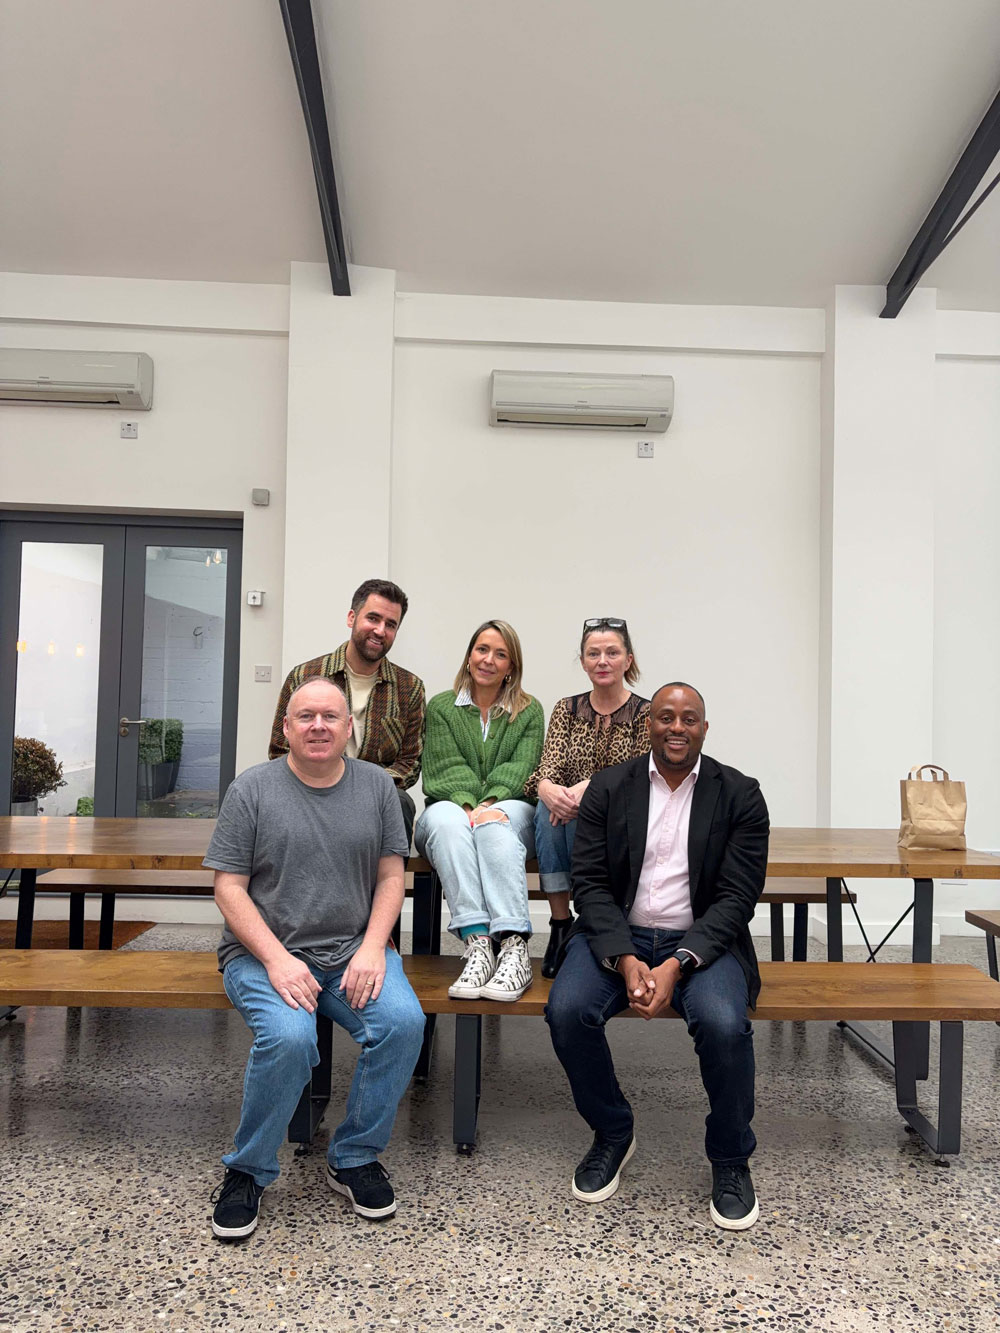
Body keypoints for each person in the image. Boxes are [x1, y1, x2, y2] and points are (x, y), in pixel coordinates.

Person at [206, 677, 425, 1240]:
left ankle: (354, 1156)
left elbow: (391, 876)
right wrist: (277, 960)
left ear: (350, 727)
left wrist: (373, 945)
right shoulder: (251, 789)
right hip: (264, 954)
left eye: (330, 716)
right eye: (306, 716)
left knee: (403, 1024)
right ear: (286, 728)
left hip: (353, 950)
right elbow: (228, 888)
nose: (319, 726)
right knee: (289, 1037)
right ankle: (248, 1170)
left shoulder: (377, 787)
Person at [545, 682, 769, 1231]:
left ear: (704, 729)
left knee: (723, 1025)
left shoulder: (740, 794)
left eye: (689, 719)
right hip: (617, 935)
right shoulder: (610, 786)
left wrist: (678, 963)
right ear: (649, 724)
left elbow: (737, 898)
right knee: (567, 1011)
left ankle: (730, 1157)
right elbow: (590, 884)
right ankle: (613, 1132)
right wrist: (625, 959)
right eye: (666, 716)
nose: (676, 727)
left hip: (701, 942)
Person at [414, 620, 544, 1002]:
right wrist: (470, 805)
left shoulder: (529, 711)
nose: (488, 660)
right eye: (482, 649)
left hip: (513, 805)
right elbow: (444, 767)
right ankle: (478, 944)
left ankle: (514, 947)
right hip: (451, 805)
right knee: (448, 825)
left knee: (494, 827)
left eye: (500, 654)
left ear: (511, 666)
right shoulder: (441, 707)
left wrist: (488, 805)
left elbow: (522, 768)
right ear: (469, 656)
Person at [524, 617, 650, 978]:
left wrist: (592, 787)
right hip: (565, 817)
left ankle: (590, 917)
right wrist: (547, 788)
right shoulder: (566, 708)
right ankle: (561, 924)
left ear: (628, 659)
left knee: (580, 808)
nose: (602, 661)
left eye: (612, 653)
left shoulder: (645, 712)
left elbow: (640, 776)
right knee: (546, 809)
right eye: (593, 654)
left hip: (621, 819)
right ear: (582, 661)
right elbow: (548, 766)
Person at [268, 578, 425, 847]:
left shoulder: (409, 688)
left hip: (376, 796)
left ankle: (388, 875)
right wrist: (325, 784)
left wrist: (360, 786)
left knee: (400, 802)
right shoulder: (305, 676)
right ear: (352, 617)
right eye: (373, 618)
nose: (380, 630)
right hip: (309, 788)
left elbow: (410, 763)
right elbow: (279, 749)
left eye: (390, 624)